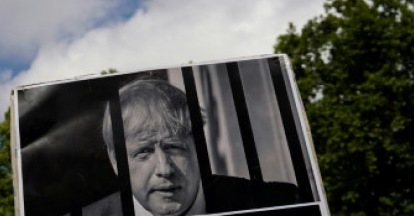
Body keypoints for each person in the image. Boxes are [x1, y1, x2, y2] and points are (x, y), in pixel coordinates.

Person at [83, 78, 298, 216]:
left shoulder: (280, 203)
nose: (164, 169)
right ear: (115, 162)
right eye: (144, 152)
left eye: (174, 147)